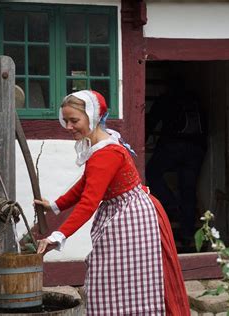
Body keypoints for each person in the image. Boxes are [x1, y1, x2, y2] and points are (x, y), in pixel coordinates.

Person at [34, 90, 190, 316]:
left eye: (74, 120)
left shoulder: (106, 153)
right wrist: (56, 205)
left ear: (92, 117)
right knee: (116, 279)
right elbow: (86, 183)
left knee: (121, 280)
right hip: (126, 214)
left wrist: (57, 236)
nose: (68, 126)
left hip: (132, 220)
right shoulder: (102, 143)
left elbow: (89, 202)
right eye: (65, 120)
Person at [145, 84, 206, 252]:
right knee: (188, 189)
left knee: (152, 172)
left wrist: (141, 141)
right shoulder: (194, 98)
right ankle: (187, 233)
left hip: (172, 146)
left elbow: (151, 121)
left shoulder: (166, 98)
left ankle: (171, 205)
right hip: (196, 148)